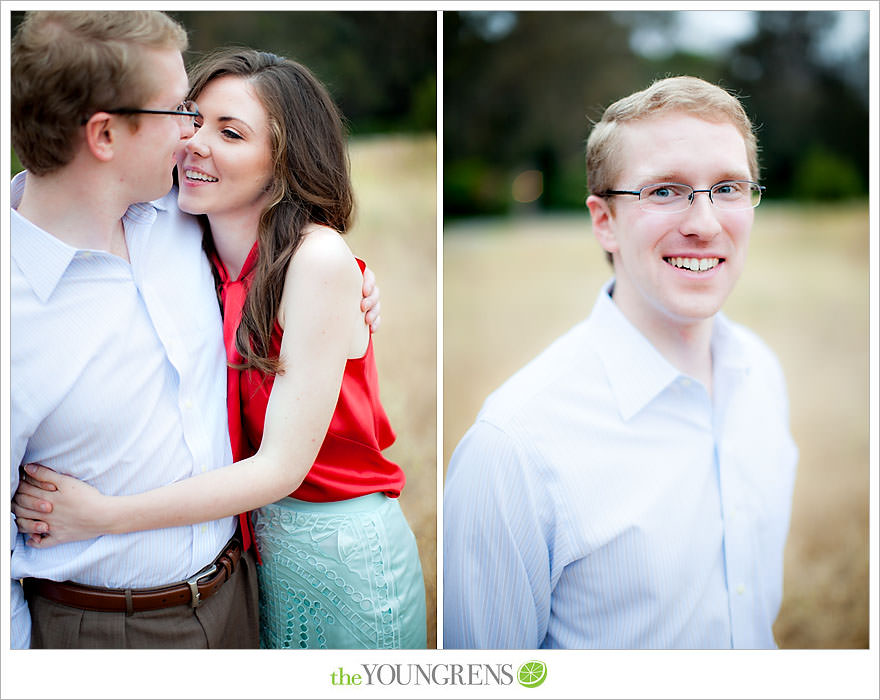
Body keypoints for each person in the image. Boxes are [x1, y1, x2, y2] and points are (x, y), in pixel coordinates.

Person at [14, 48, 427, 650]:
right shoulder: (186, 240)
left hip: (338, 552)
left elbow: (281, 469)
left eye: (230, 133)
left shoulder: (314, 260)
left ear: (286, 161)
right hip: (256, 558)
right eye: (191, 118)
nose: (194, 143)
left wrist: (104, 516)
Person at [442, 76, 798, 649]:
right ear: (603, 220)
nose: (705, 224)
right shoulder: (513, 449)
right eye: (664, 191)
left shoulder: (762, 376)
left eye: (728, 187)